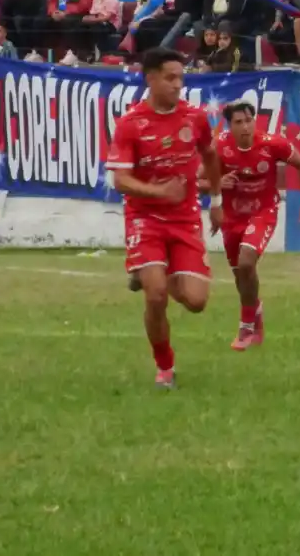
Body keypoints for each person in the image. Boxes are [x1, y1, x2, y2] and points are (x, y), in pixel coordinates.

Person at [107, 48, 223, 389]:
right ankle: (165, 368)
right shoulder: (131, 123)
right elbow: (121, 180)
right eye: (170, 78)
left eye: (181, 78)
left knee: (197, 302)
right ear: (151, 78)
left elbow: (211, 155)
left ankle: (148, 273)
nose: (177, 85)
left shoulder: (195, 117)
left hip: (185, 217)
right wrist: (160, 193)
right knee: (156, 295)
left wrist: (216, 199)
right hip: (145, 218)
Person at [213, 100, 300, 350]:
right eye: (239, 122)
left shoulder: (272, 144)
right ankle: (255, 309)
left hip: (263, 212)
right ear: (230, 126)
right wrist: (217, 186)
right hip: (232, 217)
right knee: (241, 276)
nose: (246, 127)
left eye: (249, 120)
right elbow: (200, 179)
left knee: (247, 262)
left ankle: (245, 327)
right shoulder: (219, 147)